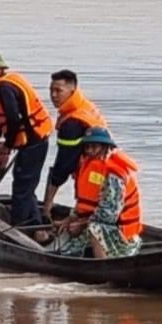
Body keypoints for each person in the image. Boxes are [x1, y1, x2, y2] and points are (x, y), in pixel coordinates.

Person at [0, 50, 53, 227]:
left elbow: (13, 118)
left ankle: (21, 226)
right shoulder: (5, 83)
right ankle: (35, 223)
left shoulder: (3, 87)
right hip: (36, 138)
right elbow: (0, 116)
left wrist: (7, 145)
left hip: (33, 140)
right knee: (26, 183)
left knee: (22, 185)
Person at [52, 127, 142, 259]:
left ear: (105, 147)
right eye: (87, 147)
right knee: (67, 245)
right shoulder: (87, 165)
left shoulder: (115, 174)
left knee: (96, 228)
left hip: (122, 234)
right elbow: (83, 204)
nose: (89, 151)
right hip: (97, 222)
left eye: (94, 147)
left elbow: (108, 215)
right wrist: (71, 219)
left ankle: (103, 268)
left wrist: (81, 225)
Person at [41, 69, 109, 222]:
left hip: (93, 173)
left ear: (72, 90)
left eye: (58, 91)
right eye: (51, 90)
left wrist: (47, 205)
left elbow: (64, 164)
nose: (53, 95)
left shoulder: (72, 123)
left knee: (86, 207)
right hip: (106, 167)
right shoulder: (85, 106)